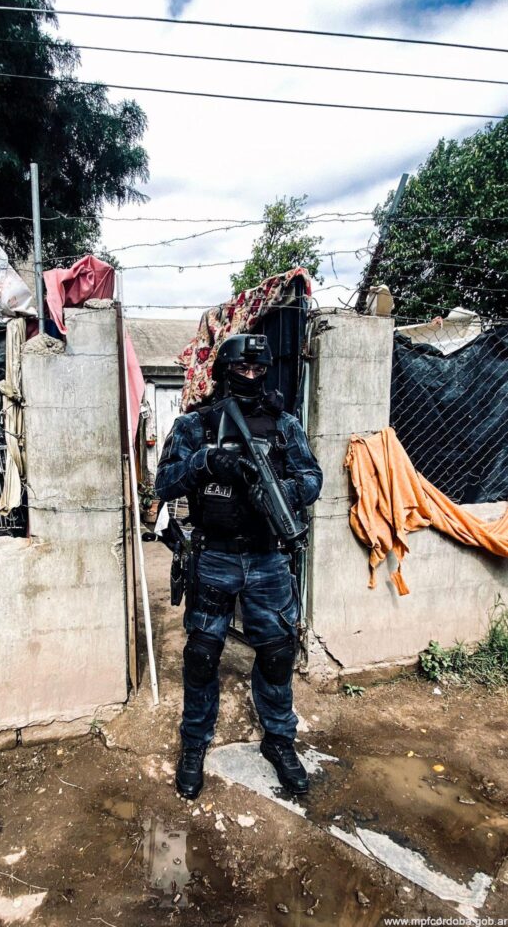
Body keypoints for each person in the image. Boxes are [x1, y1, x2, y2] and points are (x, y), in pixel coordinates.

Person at [155, 333, 322, 801]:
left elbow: (312, 477)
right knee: (203, 654)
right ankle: (194, 743)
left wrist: (277, 492)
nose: (250, 378)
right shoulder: (196, 424)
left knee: (276, 652)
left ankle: (279, 740)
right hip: (215, 556)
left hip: (268, 558)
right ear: (225, 372)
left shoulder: (284, 423)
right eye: (241, 370)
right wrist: (208, 462)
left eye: (258, 371)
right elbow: (163, 483)